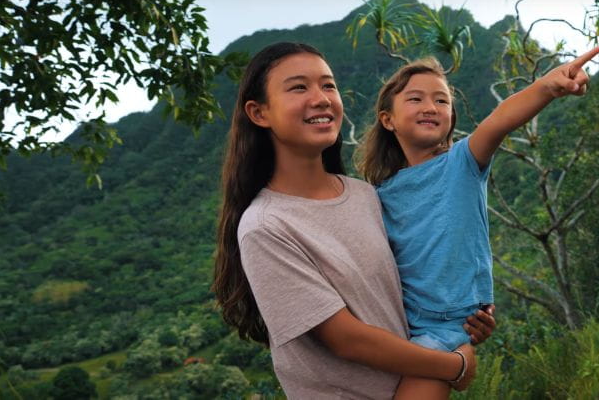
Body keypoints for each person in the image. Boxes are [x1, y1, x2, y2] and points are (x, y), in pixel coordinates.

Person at [211, 42, 496, 399]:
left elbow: (415, 283)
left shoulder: (365, 196)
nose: (321, 98)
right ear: (259, 112)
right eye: (299, 87)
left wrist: (463, 319)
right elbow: (346, 340)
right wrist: (455, 365)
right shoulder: (267, 226)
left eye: (328, 85)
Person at [357, 47, 599, 397]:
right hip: (393, 325)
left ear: (451, 118)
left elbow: (500, 119)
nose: (430, 107)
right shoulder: (377, 194)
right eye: (415, 99)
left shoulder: (462, 164)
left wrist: (548, 86)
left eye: (441, 101)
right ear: (387, 119)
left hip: (443, 328)